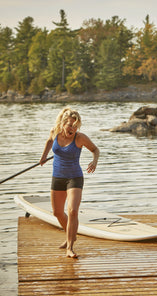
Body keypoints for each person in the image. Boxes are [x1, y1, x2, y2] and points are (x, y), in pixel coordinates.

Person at [40, 107, 100, 258]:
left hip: (74, 177)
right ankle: (71, 235)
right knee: (57, 212)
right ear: (63, 124)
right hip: (58, 177)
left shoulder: (80, 138)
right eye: (70, 125)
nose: (72, 128)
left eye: (75, 126)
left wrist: (94, 161)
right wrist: (43, 157)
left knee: (72, 211)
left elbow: (95, 149)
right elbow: (49, 141)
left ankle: (70, 247)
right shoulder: (54, 132)